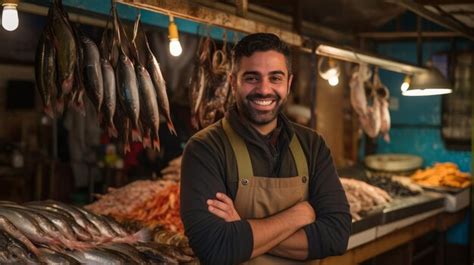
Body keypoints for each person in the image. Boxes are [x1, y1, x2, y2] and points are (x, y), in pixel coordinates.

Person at [180, 33, 351, 265]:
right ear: (233, 82)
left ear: (288, 84)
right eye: (252, 78)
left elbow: (336, 237)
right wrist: (297, 216)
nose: (264, 89)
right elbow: (215, 246)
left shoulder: (312, 145)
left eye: (275, 78)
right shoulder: (205, 148)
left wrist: (242, 224)